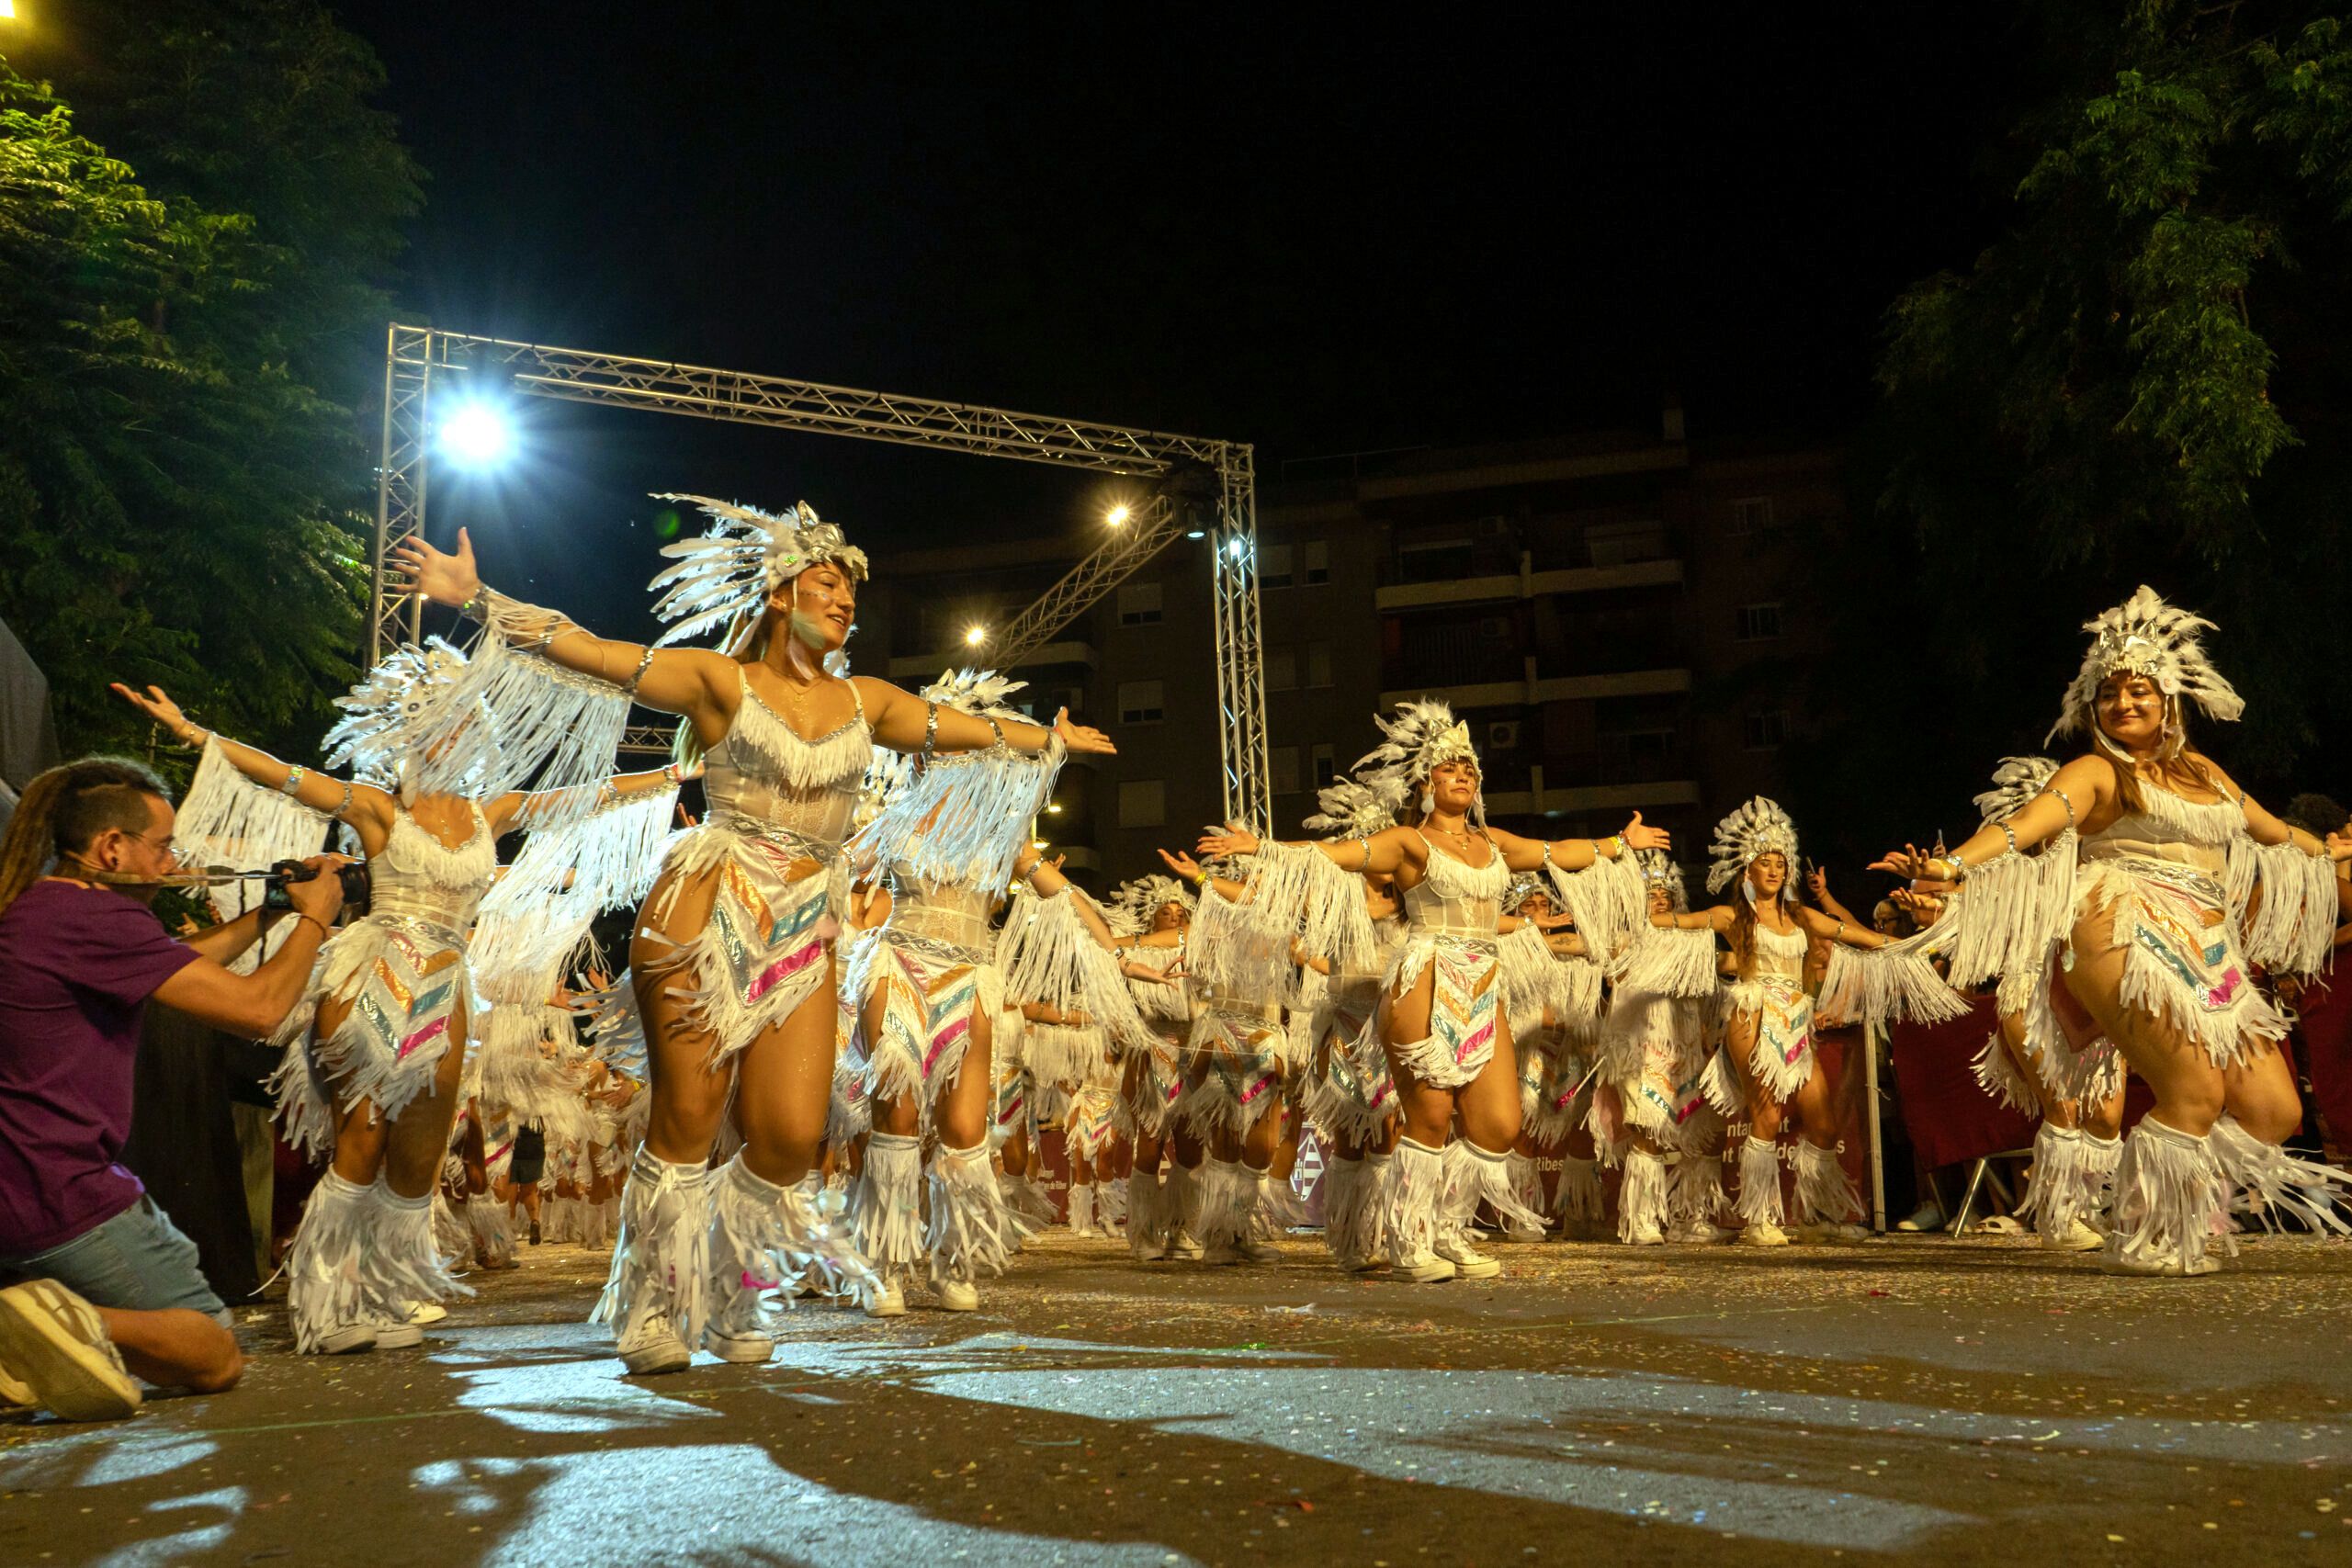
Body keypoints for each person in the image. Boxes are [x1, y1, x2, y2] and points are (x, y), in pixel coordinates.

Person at [392, 500, 1114, 1373]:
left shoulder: (869, 702)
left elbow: (969, 731)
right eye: (826, 583)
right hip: (709, 906)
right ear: (779, 595)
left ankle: (732, 1280)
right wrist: (479, 599)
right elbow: (596, 652)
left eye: (850, 590)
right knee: (688, 1117)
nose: (844, 599)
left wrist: (1050, 739)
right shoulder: (719, 683)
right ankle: (654, 1304)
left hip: (805, 924)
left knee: (787, 1137)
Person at [116, 665, 677, 1355]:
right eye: (443, 724)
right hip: (375, 973)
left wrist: (673, 774)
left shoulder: (491, 812)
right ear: (417, 733)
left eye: (467, 723)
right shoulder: (382, 809)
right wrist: (192, 732)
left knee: (418, 1158)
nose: (456, 735)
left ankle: (380, 1292)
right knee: (363, 1139)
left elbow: (586, 797)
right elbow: (288, 776)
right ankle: (326, 1306)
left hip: (448, 983)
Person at [1870, 588, 2352, 1275]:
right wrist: (1952, 865)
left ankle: (2152, 1194)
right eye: (2108, 694)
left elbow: (2276, 833)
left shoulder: (2205, 774)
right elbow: (2024, 826)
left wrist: (2332, 853)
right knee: (2194, 1094)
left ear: (2168, 698)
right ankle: (2146, 1229)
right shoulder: (2095, 771)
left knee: (2273, 1109)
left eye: (2137, 690)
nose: (2122, 703)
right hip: (2118, 921)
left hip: (2207, 942)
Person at [1198, 700, 1669, 1282]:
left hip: (1483, 981)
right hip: (1425, 976)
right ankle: (1410, 1239)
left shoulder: (1494, 843)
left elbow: (1557, 853)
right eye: (1449, 768)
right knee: (1429, 1115)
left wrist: (1618, 842)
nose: (1463, 775)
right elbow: (1336, 855)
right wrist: (1263, 850)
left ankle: (1448, 1228)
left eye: (1469, 768)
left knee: (1499, 1125)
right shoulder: (1408, 842)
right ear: (1425, 783)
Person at [0, 756, 345, 1419]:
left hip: (17, 1184)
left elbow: (181, 965)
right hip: (57, 1189)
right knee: (213, 1352)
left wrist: (273, 910)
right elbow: (260, 1010)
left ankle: (32, 1338)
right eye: (161, 847)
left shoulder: (41, 908)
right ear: (111, 847)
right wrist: (316, 920)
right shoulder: (96, 917)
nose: (171, 863)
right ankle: (40, 1312)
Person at [1661, 798, 1901, 1247]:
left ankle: (1817, 1215)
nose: (1774, 871)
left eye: (1780, 863)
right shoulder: (1733, 916)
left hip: (1795, 1018)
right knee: (1766, 1115)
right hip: (1751, 1014)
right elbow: (1679, 922)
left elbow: (1859, 936)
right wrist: (1643, 916)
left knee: (1823, 1123)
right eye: (1764, 863)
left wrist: (1908, 946)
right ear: (1747, 870)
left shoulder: (1802, 917)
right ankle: (1758, 1219)